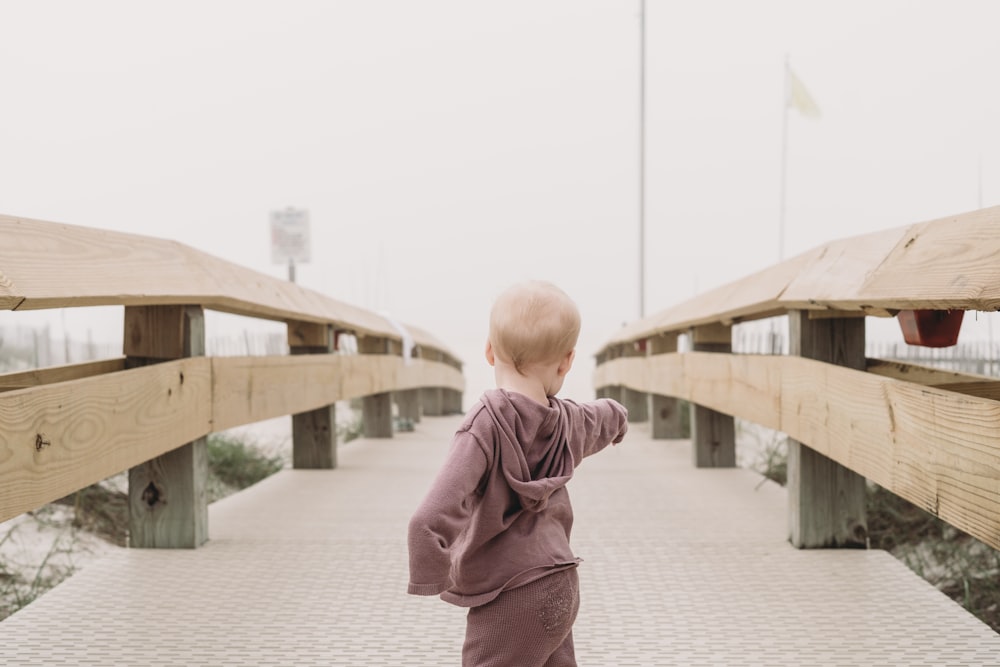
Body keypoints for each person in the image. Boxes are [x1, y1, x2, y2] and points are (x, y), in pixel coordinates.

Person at [407, 280, 629, 666]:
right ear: (566, 362)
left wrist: (432, 573)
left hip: (506, 595)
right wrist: (620, 420)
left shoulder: (483, 426)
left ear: (490, 352)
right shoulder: (568, 420)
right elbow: (606, 414)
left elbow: (430, 515)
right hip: (560, 582)